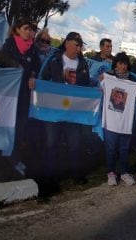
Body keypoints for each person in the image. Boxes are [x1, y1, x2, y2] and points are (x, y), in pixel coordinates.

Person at [38, 31, 91, 186]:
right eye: (76, 45)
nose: (79, 49)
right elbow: (43, 78)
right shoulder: (54, 59)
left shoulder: (83, 63)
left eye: (80, 46)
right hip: (54, 111)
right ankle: (50, 176)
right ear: (67, 43)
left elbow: (86, 86)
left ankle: (75, 173)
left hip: (73, 112)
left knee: (75, 144)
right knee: (51, 143)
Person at [0, 18, 40, 173]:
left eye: (30, 29)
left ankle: (14, 157)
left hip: (24, 95)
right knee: (8, 124)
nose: (29, 31)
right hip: (9, 93)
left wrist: (33, 75)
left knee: (20, 126)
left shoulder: (33, 49)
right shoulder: (9, 44)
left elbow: (37, 66)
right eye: (25, 28)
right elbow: (1, 62)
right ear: (17, 30)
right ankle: (4, 155)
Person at [102, 52, 136, 186]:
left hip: (125, 122)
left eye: (125, 63)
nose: (122, 66)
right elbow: (99, 89)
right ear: (115, 64)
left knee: (124, 149)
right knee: (110, 148)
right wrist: (102, 82)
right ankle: (111, 173)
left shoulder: (133, 81)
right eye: (120, 63)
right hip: (110, 120)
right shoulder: (108, 77)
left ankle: (124, 172)